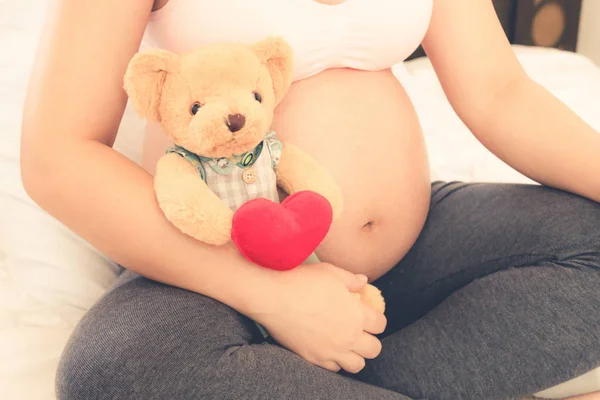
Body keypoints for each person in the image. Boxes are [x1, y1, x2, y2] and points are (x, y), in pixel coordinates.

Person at [20, 0, 600, 399]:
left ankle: (319, 375)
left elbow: (499, 92)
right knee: (114, 370)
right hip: (217, 268)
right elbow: (57, 155)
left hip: (408, 251)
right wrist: (274, 295)